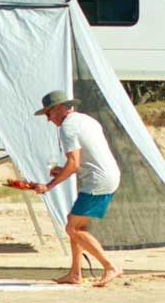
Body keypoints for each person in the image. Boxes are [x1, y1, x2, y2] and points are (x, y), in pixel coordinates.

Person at [28, 91, 123, 287]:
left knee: (72, 228)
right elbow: (83, 160)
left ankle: (110, 266)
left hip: (97, 180)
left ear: (58, 109)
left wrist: (48, 186)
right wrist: (63, 170)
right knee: (76, 226)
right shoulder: (86, 120)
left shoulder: (67, 127)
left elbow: (73, 163)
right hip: (107, 174)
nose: (48, 119)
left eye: (48, 113)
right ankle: (75, 273)